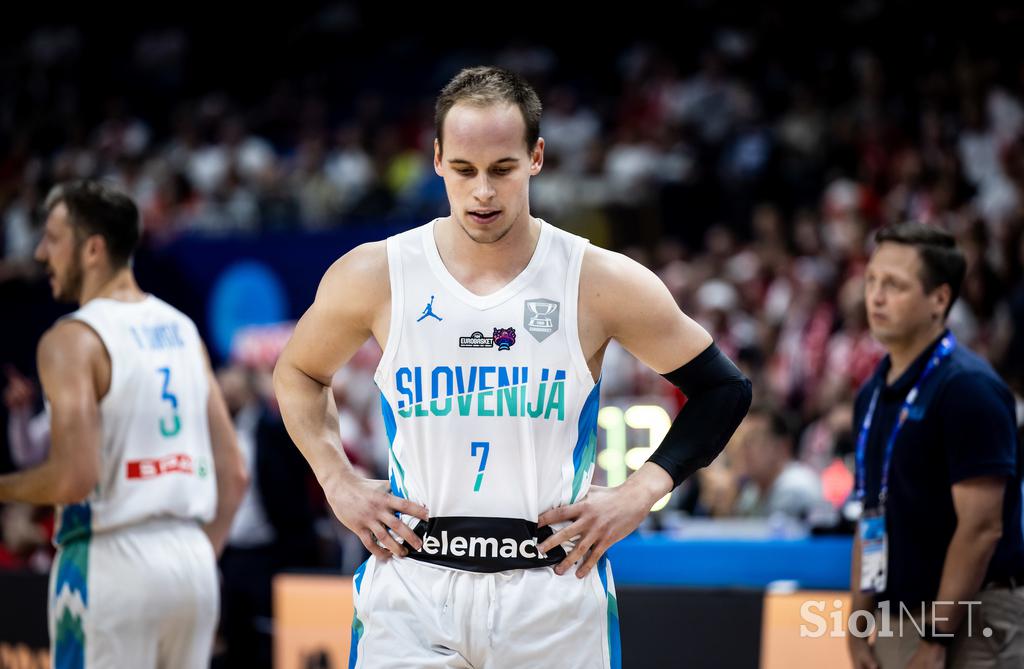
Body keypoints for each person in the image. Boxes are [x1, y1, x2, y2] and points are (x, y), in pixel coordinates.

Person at [273, 66, 751, 669]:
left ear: (536, 157)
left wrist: (641, 493)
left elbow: (724, 390)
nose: (483, 193)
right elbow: (297, 373)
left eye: (502, 169)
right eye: (466, 170)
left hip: (551, 592)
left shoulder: (598, 279)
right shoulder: (375, 273)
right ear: (438, 158)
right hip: (413, 587)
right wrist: (336, 480)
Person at [0, 180, 248, 668]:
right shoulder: (183, 330)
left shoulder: (72, 338)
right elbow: (235, 475)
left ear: (92, 248)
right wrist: (196, 554)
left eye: (52, 238)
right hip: (192, 563)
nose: (39, 252)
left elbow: (74, 477)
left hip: (110, 560)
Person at [846, 222, 1024, 669]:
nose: (876, 296)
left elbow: (982, 527)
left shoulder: (968, 388)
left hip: (970, 616)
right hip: (897, 618)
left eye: (895, 285)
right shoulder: (871, 394)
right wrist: (859, 623)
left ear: (940, 299)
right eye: (871, 281)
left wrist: (937, 636)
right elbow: (871, 513)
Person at [733, 405, 824, 520]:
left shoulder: (797, 488)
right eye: (743, 440)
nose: (746, 449)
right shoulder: (750, 494)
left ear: (782, 446)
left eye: (754, 439)